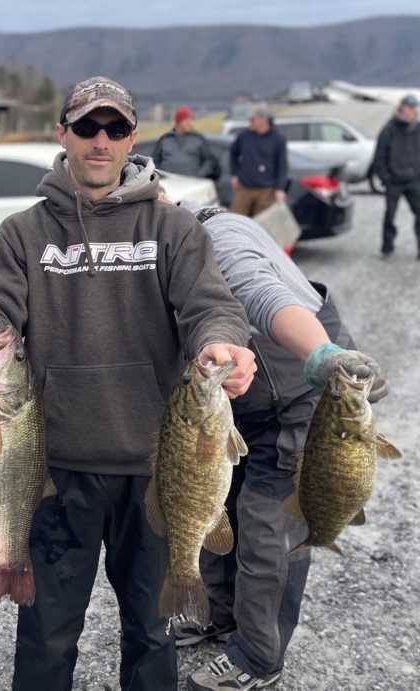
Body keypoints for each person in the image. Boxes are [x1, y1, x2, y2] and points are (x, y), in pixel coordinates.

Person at [0, 75, 257, 691]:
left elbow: (210, 306)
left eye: (115, 129)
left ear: (132, 138)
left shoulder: (175, 230)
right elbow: (0, 304)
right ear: (64, 135)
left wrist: (223, 343)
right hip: (56, 469)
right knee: (48, 634)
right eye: (87, 127)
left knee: (151, 631)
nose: (100, 141)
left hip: (156, 469)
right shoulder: (23, 232)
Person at [169, 204, 389, 691]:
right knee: (217, 504)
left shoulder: (215, 238)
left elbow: (262, 293)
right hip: (237, 402)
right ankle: (219, 614)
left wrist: (325, 356)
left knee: (268, 526)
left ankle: (258, 658)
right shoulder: (145, 251)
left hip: (302, 385)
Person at [371, 93, 420, 258]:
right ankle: (387, 248)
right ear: (401, 108)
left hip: (414, 181)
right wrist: (386, 178)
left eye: (414, 108)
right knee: (390, 216)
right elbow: (379, 157)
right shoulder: (389, 130)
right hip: (394, 182)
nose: (411, 111)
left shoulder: (418, 129)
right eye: (408, 107)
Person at [229, 104, 288, 217]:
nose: (249, 122)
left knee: (263, 223)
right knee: (235, 218)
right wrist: (234, 174)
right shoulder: (244, 136)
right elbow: (233, 153)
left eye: (252, 119)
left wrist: (280, 188)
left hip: (267, 189)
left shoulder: (278, 138)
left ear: (263, 119)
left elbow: (282, 165)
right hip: (244, 187)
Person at [151, 105, 220, 179]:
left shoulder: (198, 139)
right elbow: (155, 162)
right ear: (179, 121)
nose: (190, 123)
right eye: (186, 120)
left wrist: (198, 176)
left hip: (191, 186)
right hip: (168, 185)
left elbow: (209, 161)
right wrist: (160, 177)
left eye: (191, 120)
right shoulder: (165, 139)